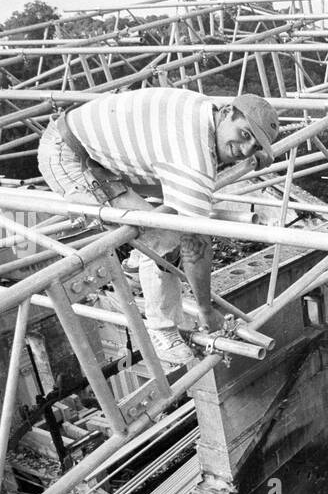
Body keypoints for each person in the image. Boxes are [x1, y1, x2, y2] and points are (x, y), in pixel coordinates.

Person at [37, 88, 279, 366]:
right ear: (226, 113)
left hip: (96, 152)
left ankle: (137, 264)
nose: (246, 150)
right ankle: (161, 329)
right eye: (245, 134)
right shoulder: (192, 154)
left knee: (168, 220)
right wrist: (206, 309)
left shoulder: (206, 112)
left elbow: (210, 163)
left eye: (256, 147)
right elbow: (195, 245)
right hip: (70, 158)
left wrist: (250, 151)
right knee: (166, 240)